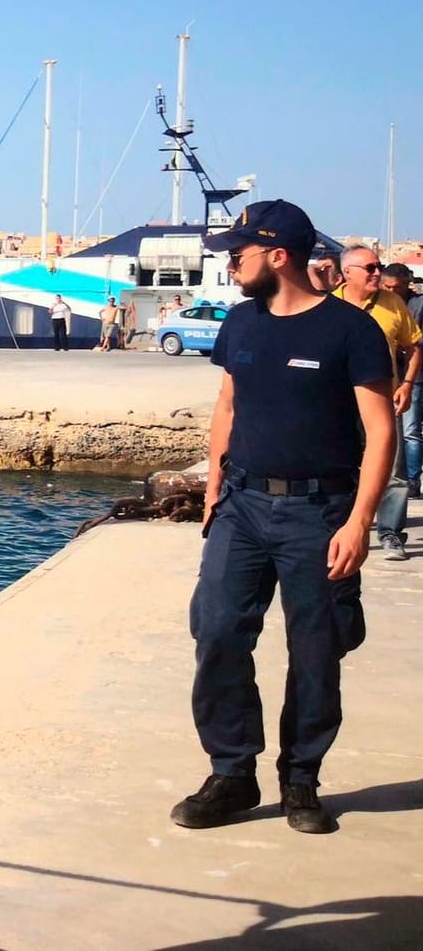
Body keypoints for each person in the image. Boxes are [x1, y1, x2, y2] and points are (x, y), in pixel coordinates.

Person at [174, 200, 392, 837]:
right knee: (216, 632)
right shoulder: (240, 322)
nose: (230, 260)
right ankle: (232, 773)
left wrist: (358, 524)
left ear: (278, 256)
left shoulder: (350, 331)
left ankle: (301, 779)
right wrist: (214, 485)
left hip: (318, 512)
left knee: (316, 650)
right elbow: (228, 405)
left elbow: (380, 435)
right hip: (240, 506)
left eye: (238, 251)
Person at [335, 245, 421, 561]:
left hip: (385, 398)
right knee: (341, 465)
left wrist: (408, 384)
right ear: (347, 273)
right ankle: (344, 525)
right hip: (338, 402)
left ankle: (390, 533)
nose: (376, 273)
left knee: (394, 471)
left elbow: (413, 347)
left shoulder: (393, 304)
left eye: (378, 266)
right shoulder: (329, 304)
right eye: (369, 268)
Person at [390, 263, 423, 497]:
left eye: (396, 287)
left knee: (410, 430)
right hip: (390, 374)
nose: (391, 291)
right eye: (387, 286)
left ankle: (412, 479)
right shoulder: (383, 303)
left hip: (415, 376)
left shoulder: (418, 304)